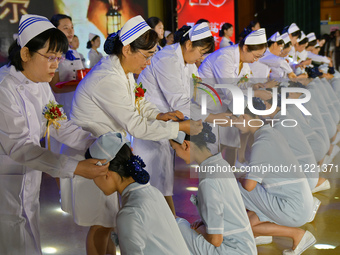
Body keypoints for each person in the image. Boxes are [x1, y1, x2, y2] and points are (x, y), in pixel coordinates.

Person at [61, 15, 203, 255]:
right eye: (146, 56)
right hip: (89, 153)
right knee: (100, 223)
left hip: (106, 152)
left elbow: (138, 103)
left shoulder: (123, 72)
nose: (148, 63)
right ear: (127, 49)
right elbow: (136, 125)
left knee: (106, 221)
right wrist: (180, 127)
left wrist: (160, 115)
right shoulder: (108, 78)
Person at [0, 14, 109, 255]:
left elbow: (61, 125)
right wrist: (77, 168)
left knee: (28, 235)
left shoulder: (40, 84)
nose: (56, 65)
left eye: (59, 58)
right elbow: (20, 148)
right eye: (50, 57)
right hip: (4, 183)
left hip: (29, 180)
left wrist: (97, 144)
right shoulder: (4, 88)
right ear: (26, 53)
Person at [133, 22, 215, 215]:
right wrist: (212, 116)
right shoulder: (168, 58)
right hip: (151, 122)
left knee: (163, 180)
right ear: (189, 45)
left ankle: (170, 225)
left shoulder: (187, 62)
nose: (200, 58)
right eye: (200, 52)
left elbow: (198, 90)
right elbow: (179, 100)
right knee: (152, 181)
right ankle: (166, 227)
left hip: (169, 123)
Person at [234, 98, 316, 254]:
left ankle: (297, 234)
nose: (235, 123)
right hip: (299, 202)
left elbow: (249, 186)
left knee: (234, 185)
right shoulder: (270, 133)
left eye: (236, 118)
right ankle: (267, 234)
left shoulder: (262, 142)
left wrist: (237, 178)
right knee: (249, 226)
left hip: (292, 208)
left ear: (245, 117)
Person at [88, 132, 191, 255]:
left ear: (106, 173)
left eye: (93, 175)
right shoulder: (153, 192)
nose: (93, 181)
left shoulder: (129, 213)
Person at [170, 123, 257, 254]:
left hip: (232, 250)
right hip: (246, 247)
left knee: (175, 225)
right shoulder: (220, 163)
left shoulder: (208, 180)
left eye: (174, 148)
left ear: (186, 145)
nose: (176, 154)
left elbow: (215, 240)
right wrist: (205, 222)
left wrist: (201, 229)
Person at [198, 28, 271, 166]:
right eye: (255, 56)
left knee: (232, 143)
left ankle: (229, 178)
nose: (255, 61)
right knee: (213, 151)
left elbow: (243, 82)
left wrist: (254, 86)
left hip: (225, 105)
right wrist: (255, 93)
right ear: (245, 47)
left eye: (259, 58)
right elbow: (230, 91)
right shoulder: (225, 57)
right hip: (209, 105)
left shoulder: (243, 61)